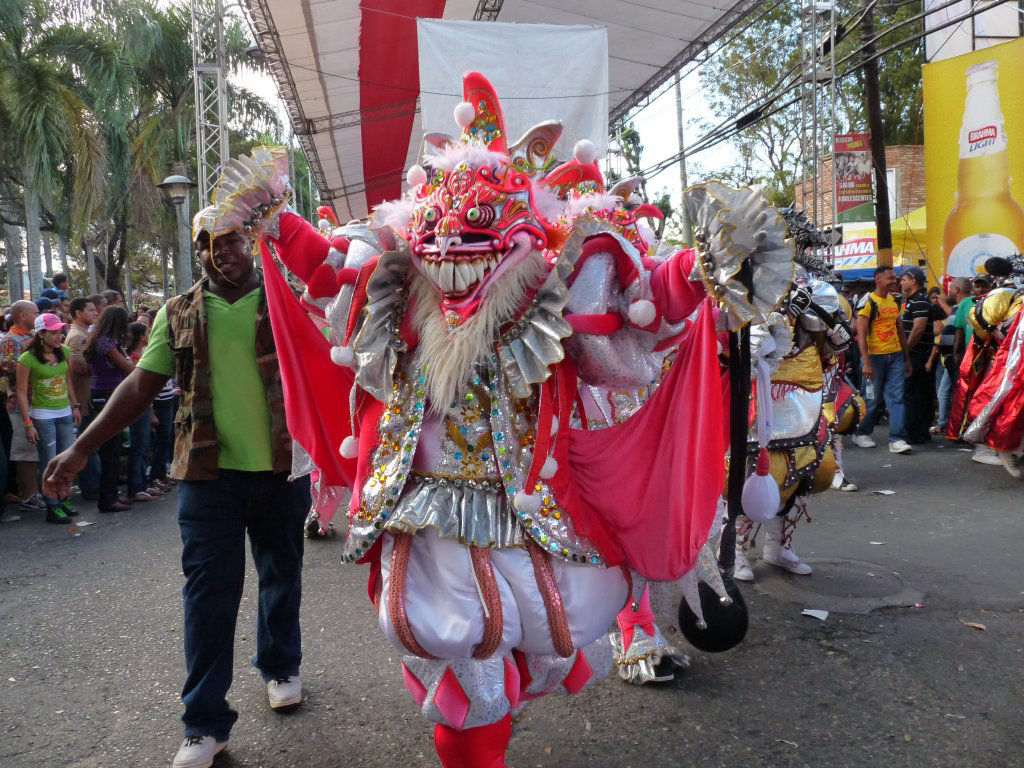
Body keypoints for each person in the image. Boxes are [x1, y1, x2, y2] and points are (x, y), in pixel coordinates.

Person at [44, 207, 309, 768]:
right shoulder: (179, 310)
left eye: (232, 240)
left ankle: (281, 664)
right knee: (208, 595)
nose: (222, 252)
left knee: (281, 572)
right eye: (208, 243)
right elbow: (140, 386)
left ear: (252, 239)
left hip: (283, 468)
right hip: (206, 476)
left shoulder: (289, 297)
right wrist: (80, 448)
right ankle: (204, 723)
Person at [16, 313, 81, 523]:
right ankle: (52, 506)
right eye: (53, 332)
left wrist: (75, 406)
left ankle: (64, 499)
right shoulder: (27, 358)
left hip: (64, 413)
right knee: (49, 462)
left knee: (67, 460)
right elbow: (21, 392)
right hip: (43, 416)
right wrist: (27, 424)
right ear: (41, 334)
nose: (59, 335)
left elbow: (68, 380)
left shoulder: (64, 351)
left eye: (60, 331)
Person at [853, 266, 913, 454]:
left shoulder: (895, 301)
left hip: (894, 356)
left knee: (896, 398)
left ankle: (896, 439)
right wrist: (866, 362)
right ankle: (861, 432)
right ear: (878, 280)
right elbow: (861, 335)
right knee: (871, 397)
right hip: (874, 357)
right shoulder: (868, 301)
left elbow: (900, 330)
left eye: (895, 278)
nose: (894, 281)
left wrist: (906, 358)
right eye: (890, 278)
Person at [84, 307, 134, 512]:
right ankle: (107, 498)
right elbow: (128, 368)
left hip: (106, 393)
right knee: (110, 449)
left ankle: (111, 494)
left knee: (113, 448)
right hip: (107, 395)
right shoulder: (106, 342)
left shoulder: (104, 340)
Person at [0, 300, 45, 510]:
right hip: (20, 403)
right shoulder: (12, 341)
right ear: (22, 316)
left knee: (36, 451)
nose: (39, 315)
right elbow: (10, 373)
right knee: (26, 451)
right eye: (35, 312)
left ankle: (38, 492)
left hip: (39, 400)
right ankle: (28, 495)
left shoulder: (33, 337)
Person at [899, 267, 944, 444]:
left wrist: (905, 351)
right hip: (917, 355)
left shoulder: (919, 301)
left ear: (913, 281)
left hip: (917, 356)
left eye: (903, 279)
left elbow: (917, 329)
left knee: (913, 394)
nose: (901, 282)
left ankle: (915, 433)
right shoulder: (914, 301)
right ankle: (920, 432)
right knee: (920, 394)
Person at [125, 321, 163, 503]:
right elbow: (141, 388)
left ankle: (143, 484)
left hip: (147, 407)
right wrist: (151, 412)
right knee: (139, 447)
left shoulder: (142, 354)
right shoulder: (134, 358)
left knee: (145, 446)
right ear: (141, 337)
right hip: (139, 407)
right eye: (148, 332)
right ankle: (136, 488)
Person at [66, 297, 100, 499]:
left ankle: (94, 483)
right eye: (91, 310)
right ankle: (92, 487)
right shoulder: (77, 336)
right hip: (83, 398)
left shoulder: (83, 333)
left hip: (87, 397)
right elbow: (77, 367)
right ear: (79, 313)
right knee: (87, 442)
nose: (95, 313)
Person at [932, 278, 971, 435]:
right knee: (946, 392)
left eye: (950, 288)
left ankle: (959, 429)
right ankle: (950, 425)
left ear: (956, 290)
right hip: (950, 359)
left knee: (958, 394)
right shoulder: (958, 307)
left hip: (957, 359)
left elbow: (959, 332)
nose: (947, 292)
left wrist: (955, 355)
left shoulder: (965, 305)